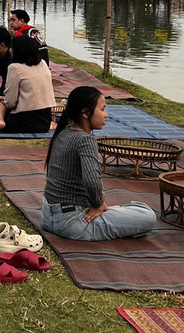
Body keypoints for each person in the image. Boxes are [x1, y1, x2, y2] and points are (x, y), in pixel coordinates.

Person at [42, 86, 156, 240]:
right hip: (73, 222)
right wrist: (98, 203)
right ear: (85, 112)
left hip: (48, 216)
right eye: (102, 109)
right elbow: (92, 182)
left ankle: (115, 211)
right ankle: (115, 211)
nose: (106, 115)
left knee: (136, 210)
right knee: (147, 215)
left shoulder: (63, 132)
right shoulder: (85, 140)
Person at [0, 35, 55, 133]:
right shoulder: (43, 64)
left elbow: (10, 102)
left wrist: (4, 101)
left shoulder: (15, 68)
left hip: (23, 120)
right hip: (44, 121)